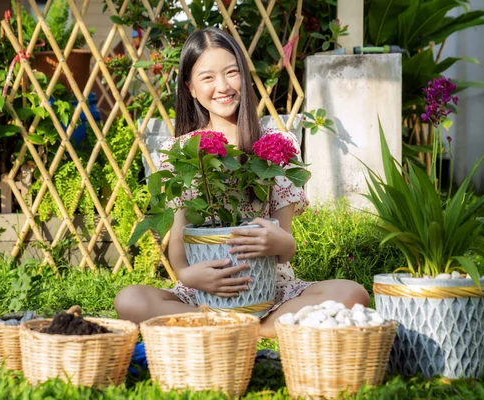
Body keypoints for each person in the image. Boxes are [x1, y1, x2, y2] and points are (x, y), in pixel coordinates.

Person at [115, 27, 369, 338]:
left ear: (245, 78)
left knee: (353, 293)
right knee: (129, 299)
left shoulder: (276, 145)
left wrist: (282, 244)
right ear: (191, 88)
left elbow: (285, 245)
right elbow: (179, 251)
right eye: (207, 78)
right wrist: (190, 275)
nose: (222, 86)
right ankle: (251, 328)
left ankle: (238, 328)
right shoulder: (182, 152)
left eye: (231, 73)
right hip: (206, 293)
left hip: (270, 291)